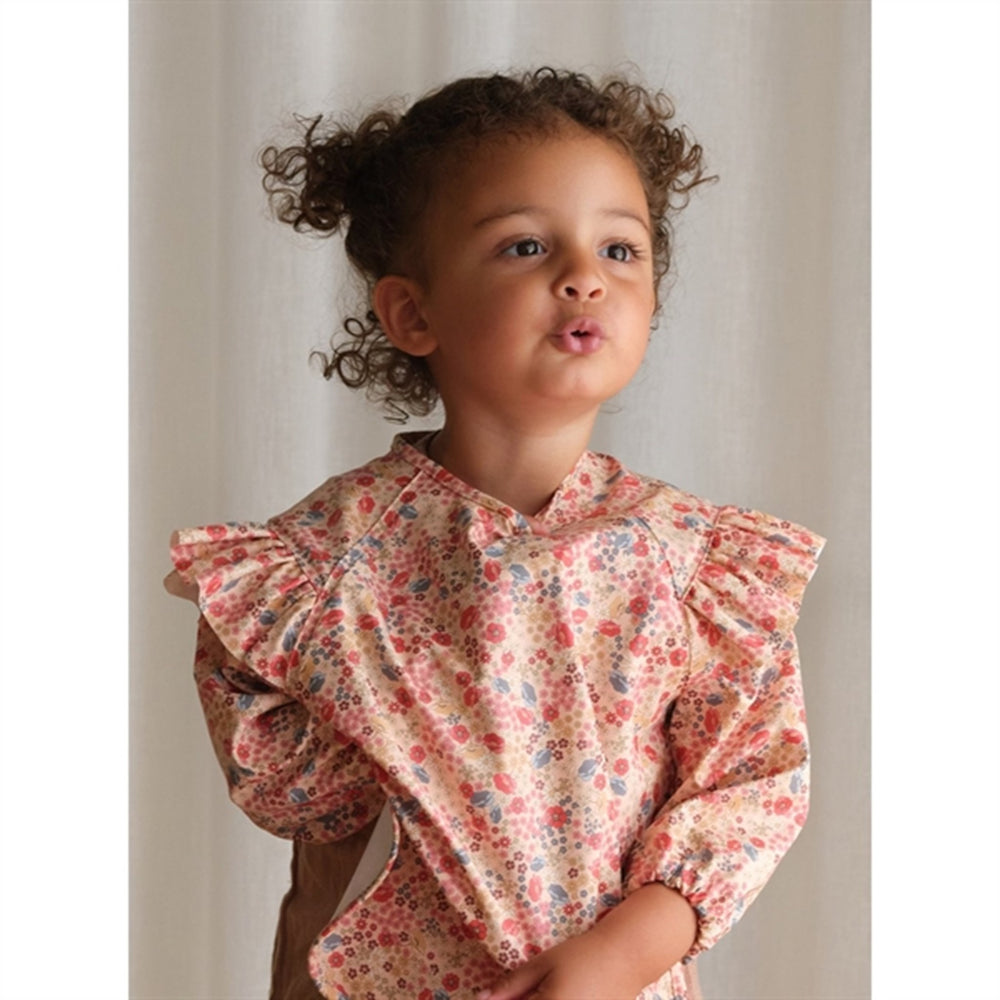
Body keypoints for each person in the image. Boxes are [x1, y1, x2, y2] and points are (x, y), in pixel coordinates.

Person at [165, 68, 825, 1000]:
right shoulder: (326, 562)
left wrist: (624, 953)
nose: (584, 275)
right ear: (413, 313)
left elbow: (750, 785)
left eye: (620, 248)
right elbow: (294, 795)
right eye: (526, 245)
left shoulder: (696, 564)